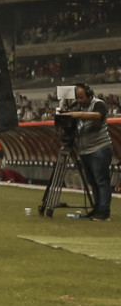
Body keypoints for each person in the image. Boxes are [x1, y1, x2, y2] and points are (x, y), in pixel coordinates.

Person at [63, 83, 114, 220]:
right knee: (92, 181)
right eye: (77, 98)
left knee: (101, 180)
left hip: (99, 148)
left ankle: (104, 211)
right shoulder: (79, 107)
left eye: (81, 97)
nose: (79, 100)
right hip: (85, 151)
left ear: (89, 94)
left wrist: (77, 114)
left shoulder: (98, 104)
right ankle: (97, 208)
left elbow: (98, 116)